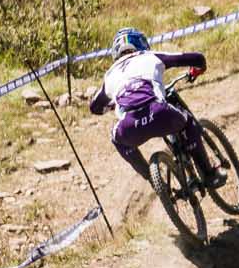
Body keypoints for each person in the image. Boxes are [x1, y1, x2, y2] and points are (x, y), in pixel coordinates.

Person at [89, 28, 220, 186]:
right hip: (159, 113)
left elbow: (95, 107)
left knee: (117, 139)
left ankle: (151, 178)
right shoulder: (150, 56)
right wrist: (197, 70)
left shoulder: (110, 75)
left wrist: (113, 104)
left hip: (129, 127)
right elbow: (197, 58)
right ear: (141, 44)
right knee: (188, 122)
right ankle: (209, 174)